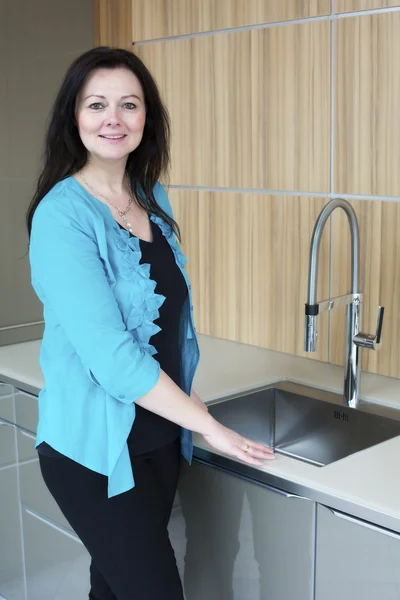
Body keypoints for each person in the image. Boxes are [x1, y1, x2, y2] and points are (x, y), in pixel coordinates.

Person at [26, 46, 275, 600]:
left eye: (128, 104)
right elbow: (113, 356)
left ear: (147, 118)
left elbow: (166, 323)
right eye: (96, 104)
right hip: (92, 451)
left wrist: (186, 417)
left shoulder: (151, 197)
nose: (113, 118)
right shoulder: (62, 216)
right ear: (74, 116)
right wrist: (208, 423)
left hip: (158, 439)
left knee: (112, 591)